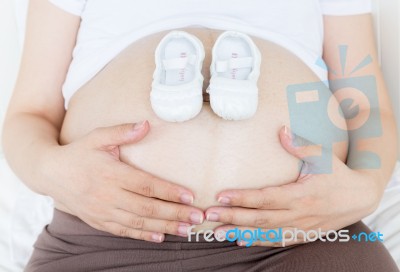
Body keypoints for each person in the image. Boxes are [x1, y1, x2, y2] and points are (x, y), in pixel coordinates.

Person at [2, 0, 399, 271]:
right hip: (106, 239)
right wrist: (53, 170)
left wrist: (367, 188)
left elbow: (364, 105)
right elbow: (30, 112)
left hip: (302, 239)